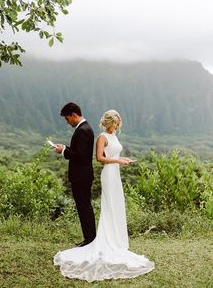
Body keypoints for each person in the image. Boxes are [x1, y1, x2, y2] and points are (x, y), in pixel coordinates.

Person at [54, 109, 154, 282]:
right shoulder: (101, 137)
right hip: (108, 173)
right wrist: (118, 161)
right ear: (109, 123)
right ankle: (104, 238)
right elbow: (99, 158)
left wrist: (124, 160)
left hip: (116, 173)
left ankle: (117, 239)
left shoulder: (114, 136)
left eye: (118, 123)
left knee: (117, 205)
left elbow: (115, 154)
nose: (117, 125)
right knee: (109, 205)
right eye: (115, 123)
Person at [55, 102, 96, 247]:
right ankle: (90, 238)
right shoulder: (85, 128)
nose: (67, 122)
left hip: (81, 176)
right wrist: (65, 148)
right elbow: (80, 151)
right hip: (82, 176)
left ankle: (90, 240)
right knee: (84, 206)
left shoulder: (83, 130)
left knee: (84, 207)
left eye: (67, 119)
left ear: (74, 115)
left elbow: (80, 155)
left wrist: (63, 151)